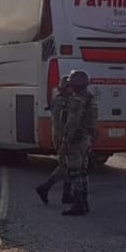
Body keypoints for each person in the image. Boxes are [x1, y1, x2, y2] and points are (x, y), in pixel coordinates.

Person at [56, 70, 98, 216]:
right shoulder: (90, 98)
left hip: (77, 139)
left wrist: (66, 140)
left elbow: (73, 122)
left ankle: (78, 204)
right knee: (83, 171)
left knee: (75, 172)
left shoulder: (77, 100)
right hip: (87, 138)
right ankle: (84, 203)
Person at [35, 77, 74, 205]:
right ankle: (45, 187)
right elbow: (63, 123)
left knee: (69, 165)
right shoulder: (62, 102)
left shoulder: (62, 100)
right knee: (65, 166)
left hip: (62, 136)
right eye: (70, 87)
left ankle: (66, 194)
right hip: (62, 137)